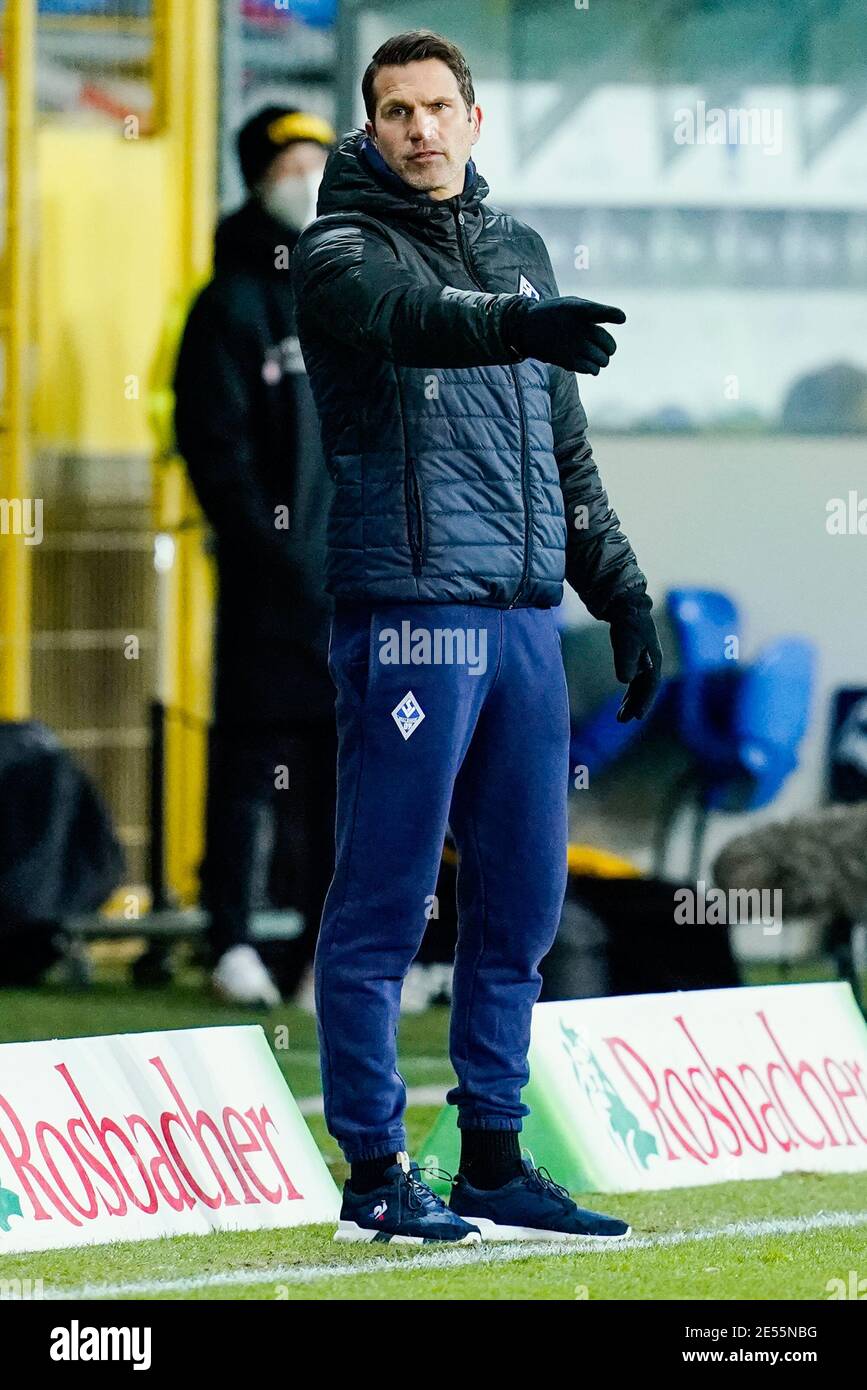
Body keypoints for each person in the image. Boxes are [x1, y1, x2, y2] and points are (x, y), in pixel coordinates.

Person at [293, 29, 662, 1244]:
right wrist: (513, 322)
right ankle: (372, 1172)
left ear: (474, 117)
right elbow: (409, 318)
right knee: (388, 902)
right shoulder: (338, 244)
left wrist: (621, 591)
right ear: (371, 125)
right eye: (394, 111)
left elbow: (565, 461)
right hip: (410, 611)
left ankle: (494, 1155)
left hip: (521, 623)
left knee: (521, 902)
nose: (418, 130)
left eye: (437, 107)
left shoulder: (520, 254)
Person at [173, 107, 338, 1007]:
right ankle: (229, 937)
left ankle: (324, 954)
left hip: (348, 584)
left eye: (320, 160)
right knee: (251, 763)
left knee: (337, 780)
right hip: (268, 591)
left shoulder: (336, 293)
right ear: (256, 176)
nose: (308, 178)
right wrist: (272, 551)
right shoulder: (230, 303)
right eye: (292, 163)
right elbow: (216, 448)